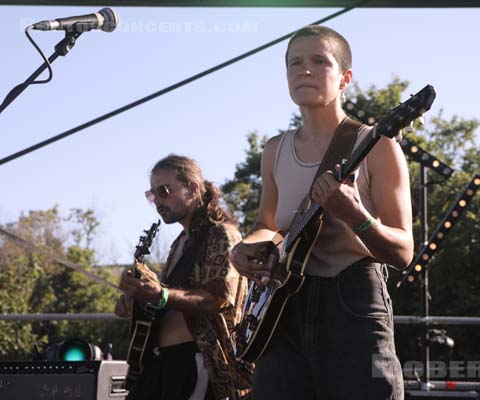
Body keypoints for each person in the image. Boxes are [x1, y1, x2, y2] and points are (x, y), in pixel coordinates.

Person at [230, 25, 413, 400]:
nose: (305, 71)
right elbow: (268, 225)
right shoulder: (273, 150)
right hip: (282, 308)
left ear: (345, 77)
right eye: (294, 63)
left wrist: (357, 216)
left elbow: (403, 250)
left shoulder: (377, 146)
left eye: (319, 61)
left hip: (354, 300)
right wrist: (244, 247)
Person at [115, 154, 250, 400]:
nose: (157, 201)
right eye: (152, 194)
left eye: (164, 191)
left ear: (193, 188)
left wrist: (161, 294)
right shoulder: (179, 244)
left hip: (198, 360)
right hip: (161, 363)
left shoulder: (222, 235)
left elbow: (218, 298)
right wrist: (137, 303)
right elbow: (167, 303)